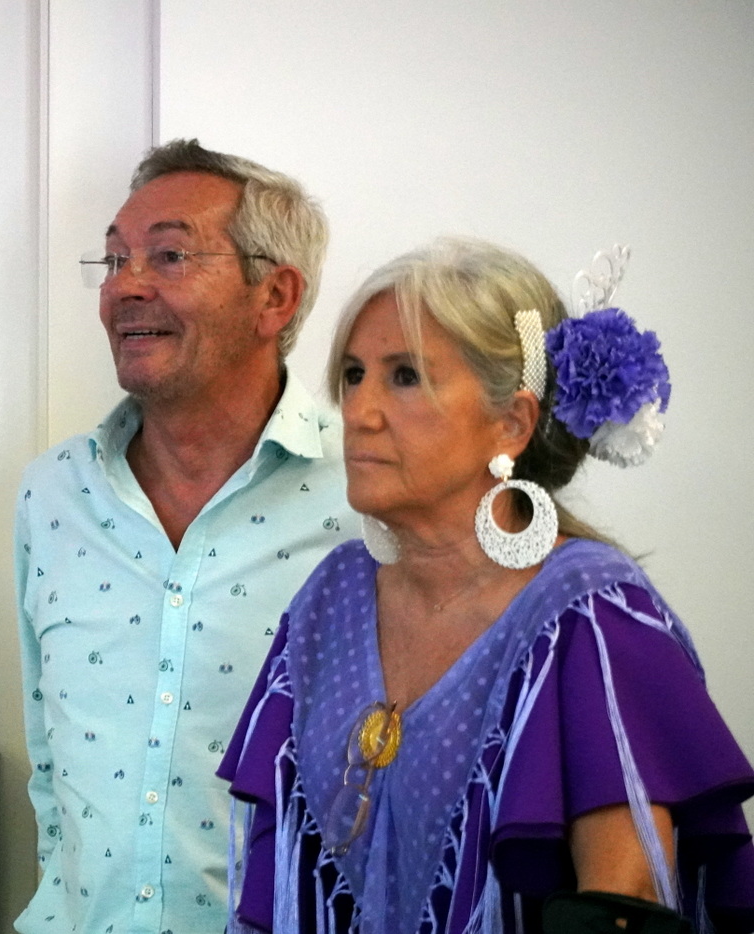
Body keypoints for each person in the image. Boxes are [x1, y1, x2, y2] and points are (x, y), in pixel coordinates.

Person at [219, 238, 754, 933]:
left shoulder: (590, 616)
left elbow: (623, 903)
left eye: (405, 376)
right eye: (353, 374)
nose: (360, 410)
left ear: (512, 423)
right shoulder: (329, 600)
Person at [15, 139, 351, 933]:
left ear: (275, 296)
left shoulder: (365, 502)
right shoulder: (52, 493)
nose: (124, 287)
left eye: (168, 255)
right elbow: (51, 770)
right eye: (114, 260)